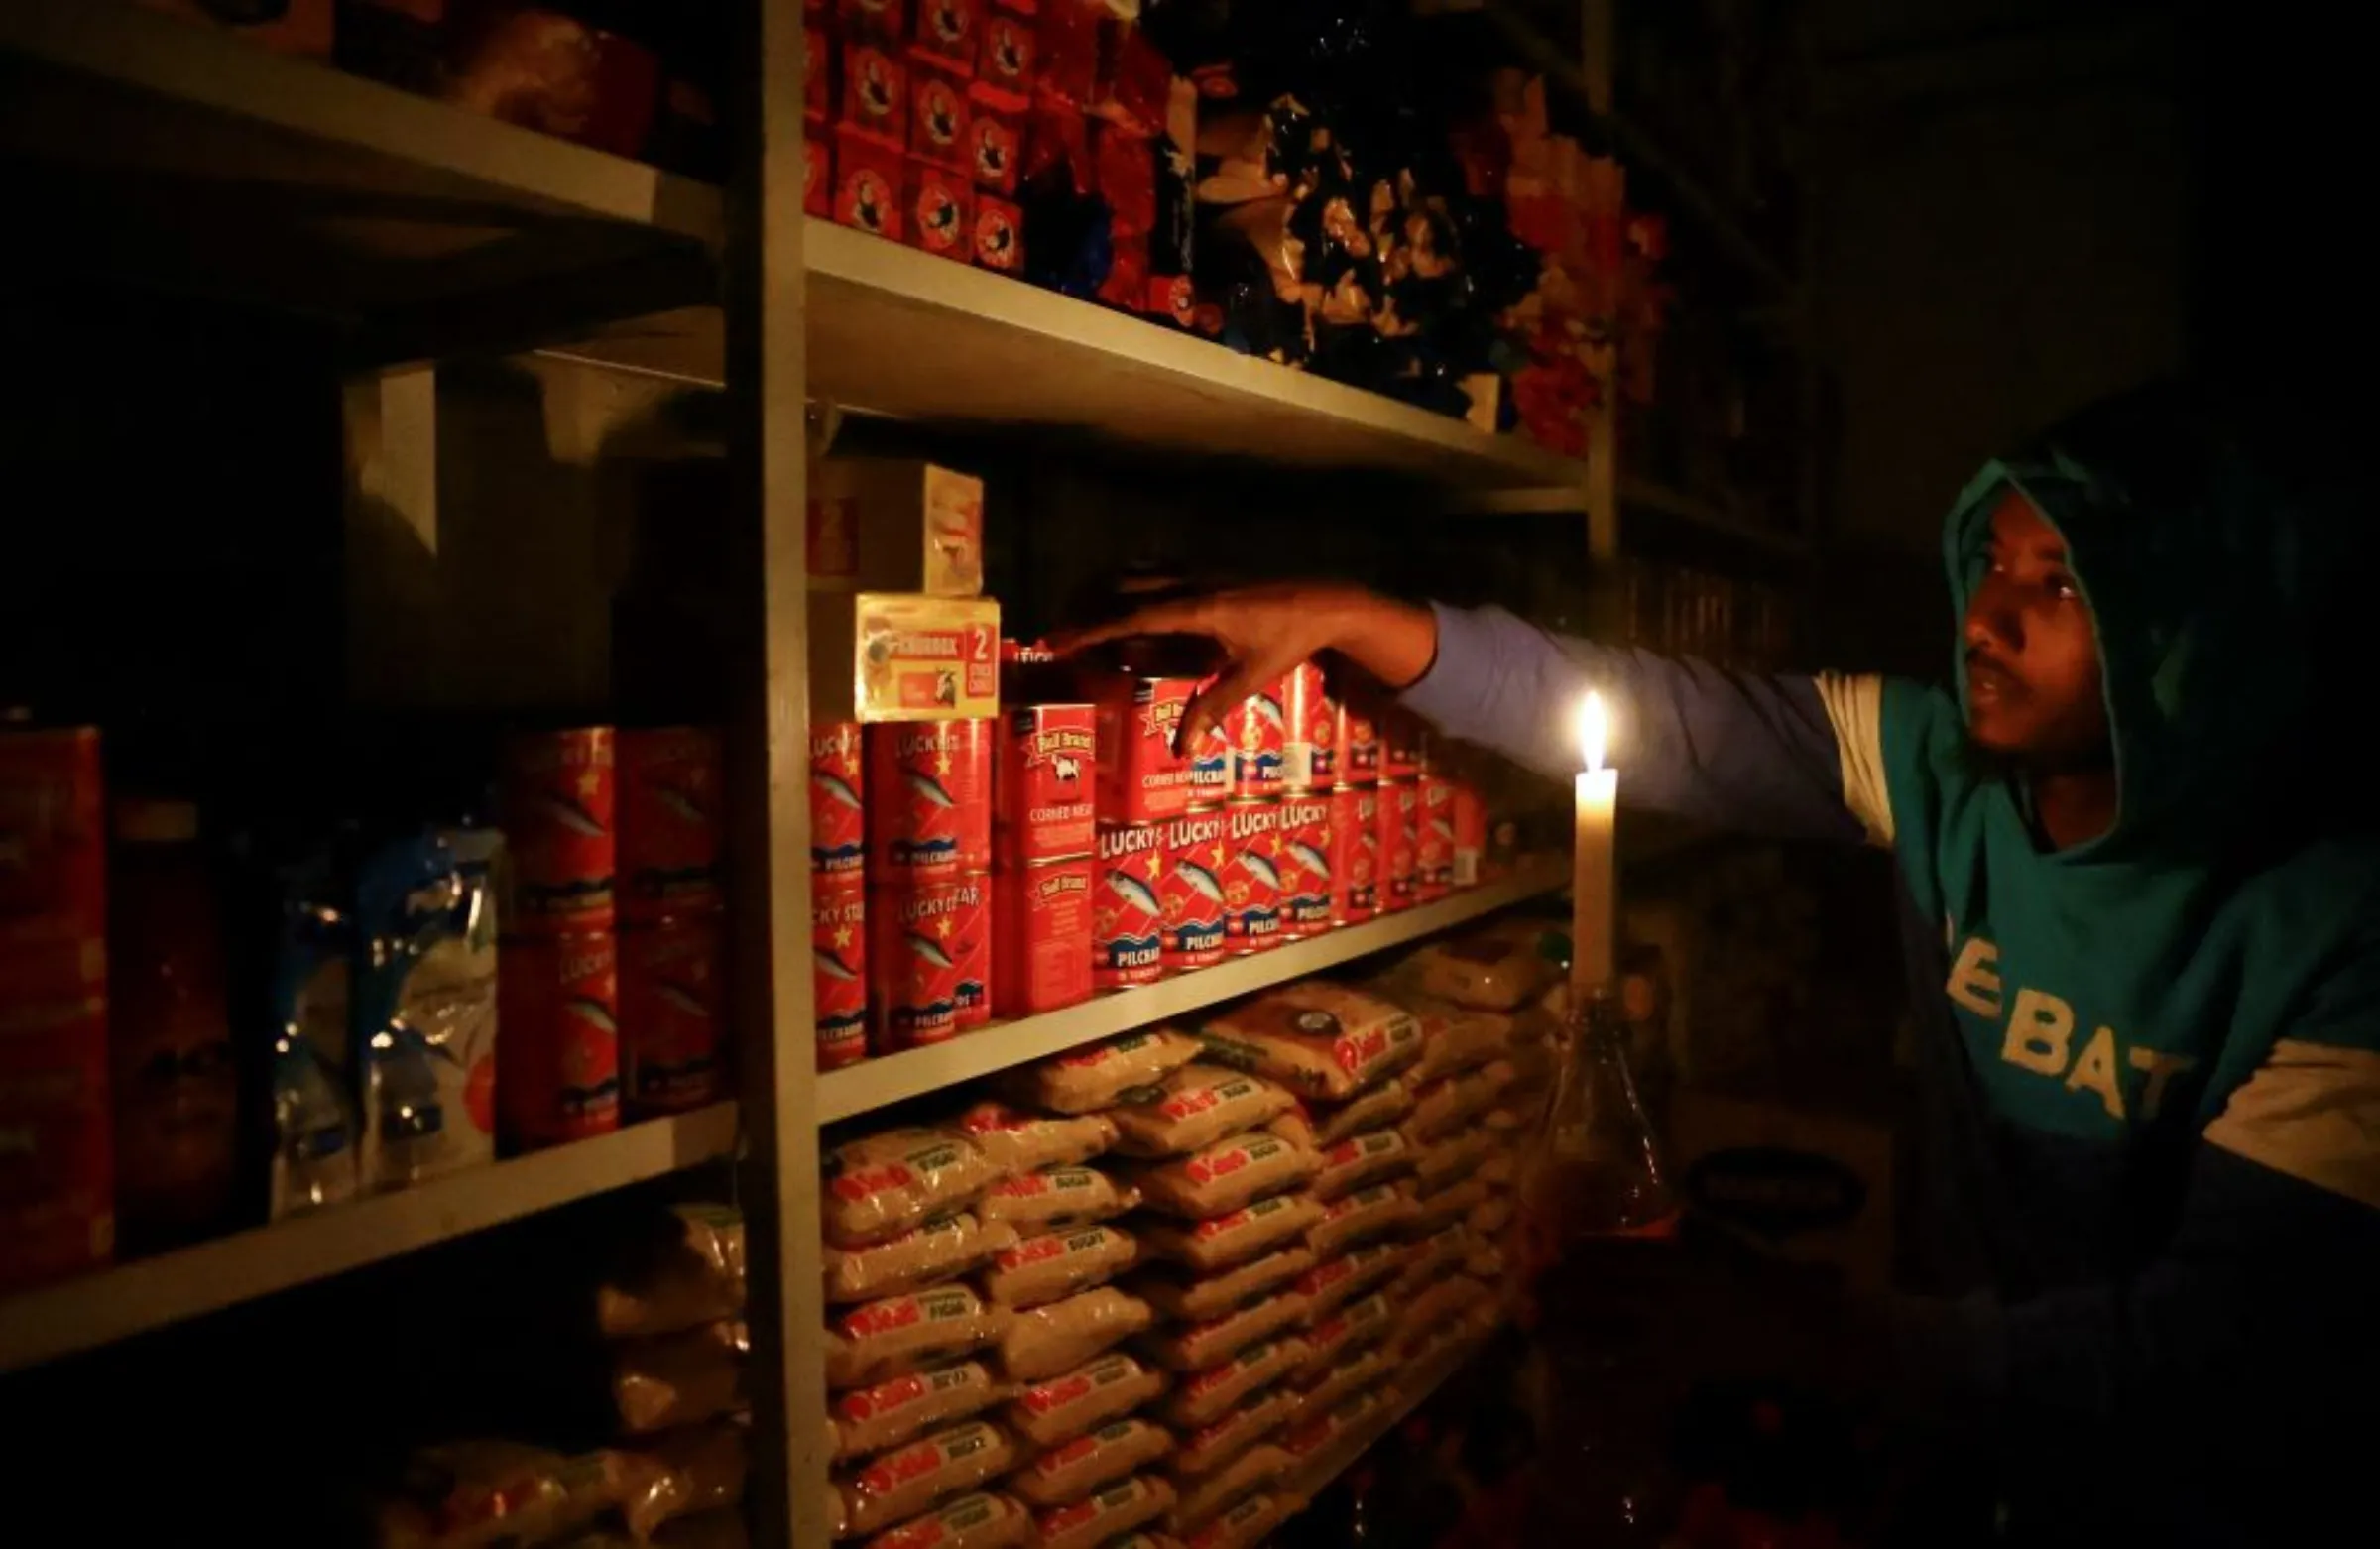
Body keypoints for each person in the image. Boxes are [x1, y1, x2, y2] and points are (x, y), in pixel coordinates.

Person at [1056, 381, 2377, 1544]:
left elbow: (2213, 1358)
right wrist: (1360, 618)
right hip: (1975, 1450)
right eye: (1996, 559)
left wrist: (1797, 1329)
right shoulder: (1937, 766)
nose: (1987, 618)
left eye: (2064, 583)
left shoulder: (2333, 926)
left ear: (2186, 634)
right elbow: (1664, 717)